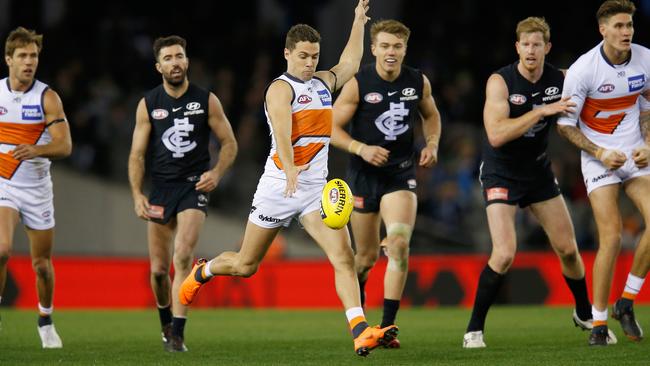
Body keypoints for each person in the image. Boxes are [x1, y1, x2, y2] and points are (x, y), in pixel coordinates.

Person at [179, 0, 398, 357]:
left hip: (313, 192)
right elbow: (281, 129)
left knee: (344, 257)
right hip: (279, 187)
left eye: (314, 56)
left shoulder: (324, 83)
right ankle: (204, 271)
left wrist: (358, 21)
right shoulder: (280, 89)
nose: (310, 63)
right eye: (303, 56)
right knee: (245, 265)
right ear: (287, 54)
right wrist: (292, 167)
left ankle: (360, 331)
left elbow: (351, 63)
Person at [462, 17, 614, 348]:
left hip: (538, 172)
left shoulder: (562, 79)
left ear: (547, 48)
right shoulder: (500, 82)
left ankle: (584, 313)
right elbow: (496, 134)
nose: (530, 50)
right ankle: (474, 329)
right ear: (517, 48)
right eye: (525, 44)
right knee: (503, 254)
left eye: (537, 45)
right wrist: (541, 111)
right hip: (500, 172)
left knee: (569, 250)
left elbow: (589, 111)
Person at [330, 19, 441, 348]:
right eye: (385, 46)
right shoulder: (358, 83)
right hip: (363, 178)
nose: (391, 52)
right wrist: (361, 148)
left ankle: (388, 327)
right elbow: (331, 128)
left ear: (405, 49)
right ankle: (363, 325)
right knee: (364, 259)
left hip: (400, 175)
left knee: (399, 244)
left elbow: (431, 115)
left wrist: (432, 144)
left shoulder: (417, 82)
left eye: (397, 46)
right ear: (374, 48)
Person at [128, 35, 238, 352]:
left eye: (179, 56)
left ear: (187, 61)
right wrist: (137, 194)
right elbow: (136, 155)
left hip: (194, 186)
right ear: (158, 66)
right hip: (161, 190)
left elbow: (230, 143)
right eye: (168, 58)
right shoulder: (148, 103)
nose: (175, 62)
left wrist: (216, 173)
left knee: (183, 255)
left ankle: (177, 334)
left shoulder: (206, 100)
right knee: (159, 272)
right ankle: (166, 323)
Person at [557, 0, 650, 346]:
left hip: (636, 153)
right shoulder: (584, 69)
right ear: (603, 30)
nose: (626, 32)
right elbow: (564, 125)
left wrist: (649, 144)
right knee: (610, 236)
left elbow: (647, 105)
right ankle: (598, 324)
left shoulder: (645, 58)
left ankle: (625, 302)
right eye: (619, 26)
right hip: (598, 158)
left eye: (630, 26)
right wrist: (599, 152)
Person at [0, 27, 72, 348]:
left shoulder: (47, 97)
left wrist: (36, 150)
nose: (29, 62)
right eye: (23, 56)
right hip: (4, 184)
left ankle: (45, 319)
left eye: (34, 56)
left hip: (37, 190)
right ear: (8, 59)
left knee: (41, 266)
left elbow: (65, 145)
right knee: (1, 250)